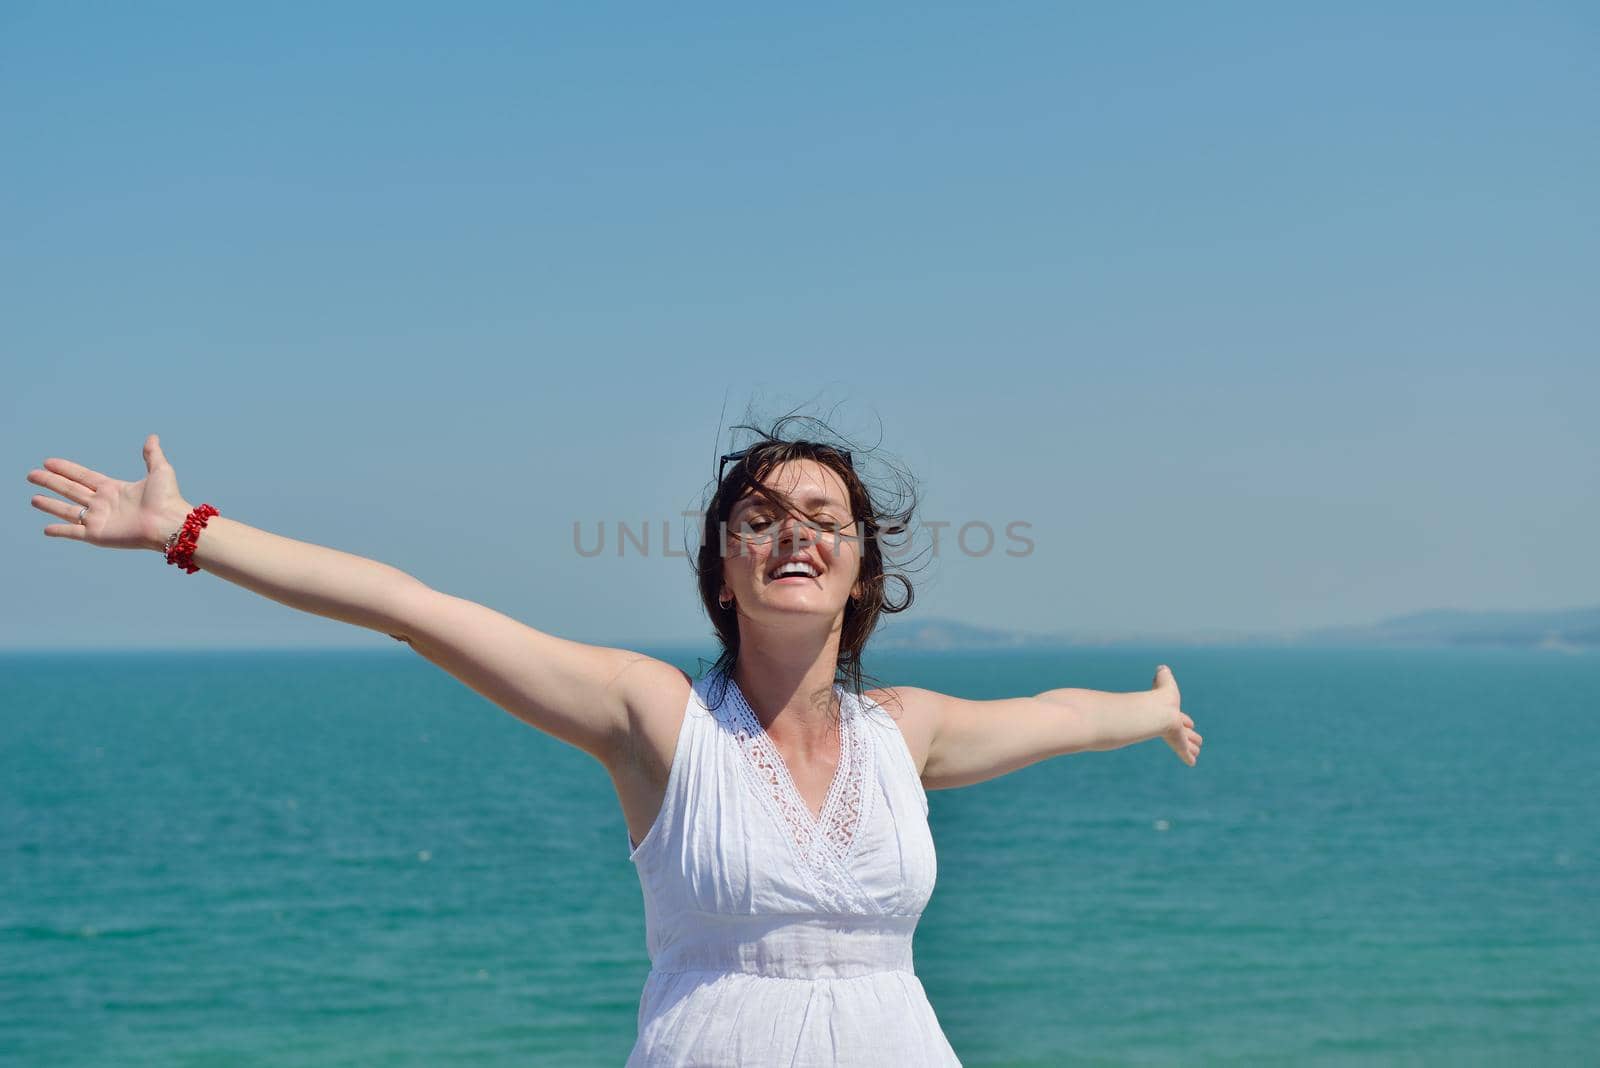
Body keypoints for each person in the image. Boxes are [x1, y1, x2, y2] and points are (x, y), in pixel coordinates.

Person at [26, 418, 1202, 1066]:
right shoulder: (655, 721)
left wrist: (1151, 710)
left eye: (823, 520)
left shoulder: (908, 732)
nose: (793, 533)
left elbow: (1059, 717)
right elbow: (409, 604)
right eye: (761, 518)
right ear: (725, 575)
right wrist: (186, 530)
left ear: (858, 577)